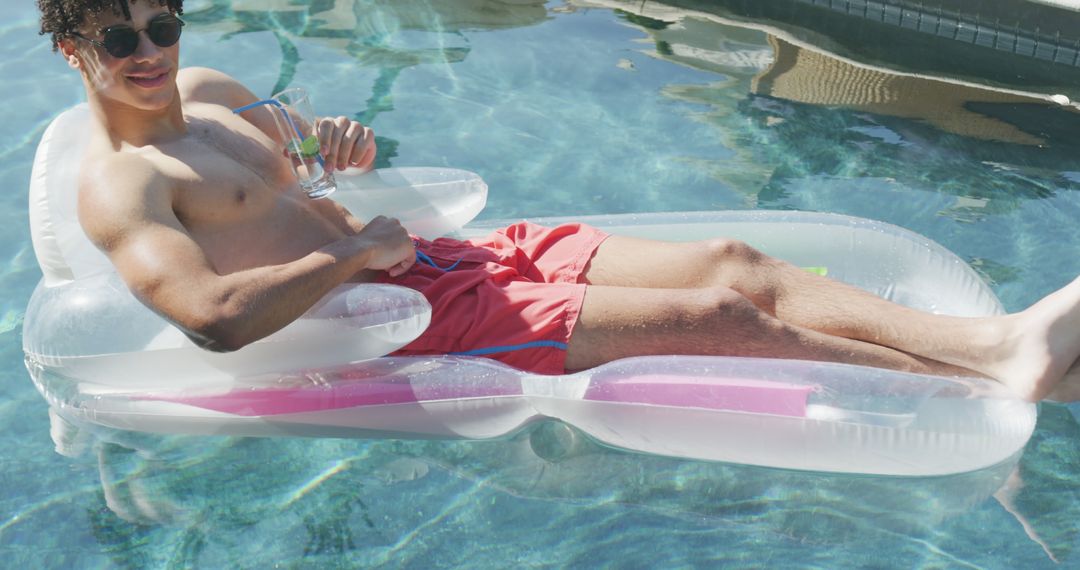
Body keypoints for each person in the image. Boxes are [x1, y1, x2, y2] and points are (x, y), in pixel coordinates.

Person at [37, 0, 1080, 402]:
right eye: (119, 38)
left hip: (444, 257)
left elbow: (295, 142)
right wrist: (350, 261)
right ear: (71, 47)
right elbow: (215, 323)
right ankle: (985, 383)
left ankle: (993, 346)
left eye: (161, 24)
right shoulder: (121, 188)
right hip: (398, 316)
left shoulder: (211, 94)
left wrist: (327, 146)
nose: (150, 54)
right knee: (715, 320)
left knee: (734, 260)